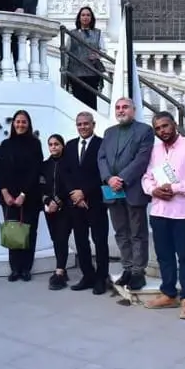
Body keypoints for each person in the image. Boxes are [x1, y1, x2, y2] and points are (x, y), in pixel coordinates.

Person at [141, 112, 185, 320]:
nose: (162, 131)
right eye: (158, 128)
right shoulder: (154, 150)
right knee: (164, 255)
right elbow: (146, 177)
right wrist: (154, 190)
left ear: (175, 124)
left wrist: (176, 188)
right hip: (160, 211)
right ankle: (169, 293)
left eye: (165, 126)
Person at [97, 97, 155, 292]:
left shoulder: (145, 131)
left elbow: (142, 159)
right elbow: (102, 157)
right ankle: (128, 268)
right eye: (118, 107)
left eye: (125, 107)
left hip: (132, 189)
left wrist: (120, 178)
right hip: (113, 191)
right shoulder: (109, 132)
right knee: (121, 232)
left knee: (137, 232)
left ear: (134, 110)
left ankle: (139, 271)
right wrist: (108, 178)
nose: (121, 110)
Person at [61, 112, 109, 294]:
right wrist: (75, 194)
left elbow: (103, 173)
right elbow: (66, 173)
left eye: (86, 124)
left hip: (95, 201)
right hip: (76, 204)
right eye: (79, 124)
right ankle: (87, 275)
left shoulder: (102, 144)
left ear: (93, 124)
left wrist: (84, 192)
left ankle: (101, 278)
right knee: (81, 241)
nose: (82, 127)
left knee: (100, 240)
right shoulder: (71, 145)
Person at [0, 109, 44, 282]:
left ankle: (26, 269)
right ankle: (15, 269)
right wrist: (5, 192)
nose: (20, 124)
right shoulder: (6, 145)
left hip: (29, 197)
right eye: (18, 121)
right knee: (13, 232)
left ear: (28, 124)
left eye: (24, 121)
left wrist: (23, 194)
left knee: (30, 233)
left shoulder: (35, 144)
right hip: (8, 197)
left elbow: (36, 170)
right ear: (13, 123)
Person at [39, 134, 69, 290]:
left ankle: (59, 272)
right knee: (55, 238)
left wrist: (57, 201)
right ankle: (61, 268)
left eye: (56, 144)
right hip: (49, 209)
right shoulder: (45, 165)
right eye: (50, 144)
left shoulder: (68, 163)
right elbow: (41, 186)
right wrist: (47, 201)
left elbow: (68, 185)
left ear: (62, 145)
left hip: (65, 208)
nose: (53, 147)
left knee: (62, 238)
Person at [67, 6, 107, 110]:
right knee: (78, 103)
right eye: (83, 15)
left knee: (92, 103)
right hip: (76, 73)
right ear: (79, 17)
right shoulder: (72, 33)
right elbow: (67, 52)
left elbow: (103, 50)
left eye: (88, 15)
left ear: (92, 17)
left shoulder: (98, 33)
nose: (85, 17)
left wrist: (98, 55)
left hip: (92, 72)